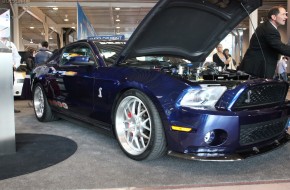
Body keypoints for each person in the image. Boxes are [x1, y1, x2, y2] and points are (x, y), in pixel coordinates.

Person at [240, 6, 290, 78]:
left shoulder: (266, 26)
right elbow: (279, 46)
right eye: (283, 14)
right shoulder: (270, 29)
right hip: (258, 69)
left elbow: (272, 47)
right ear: (274, 17)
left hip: (255, 67)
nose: (286, 17)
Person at [0, 36, 22, 113]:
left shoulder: (11, 44)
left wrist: (15, 66)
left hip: (9, 69)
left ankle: (9, 107)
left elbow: (17, 57)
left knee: (9, 89)